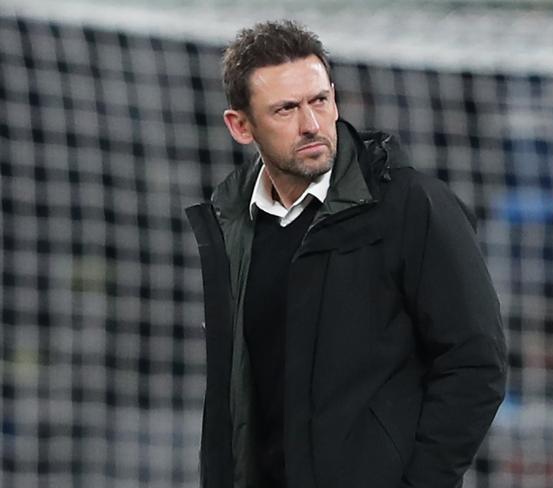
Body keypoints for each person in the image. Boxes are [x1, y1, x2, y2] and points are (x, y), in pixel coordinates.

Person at [186, 20, 506, 488]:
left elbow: (476, 365)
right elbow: (236, 395)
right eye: (286, 109)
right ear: (240, 126)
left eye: (319, 100)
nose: (312, 124)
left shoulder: (411, 205)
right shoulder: (232, 226)